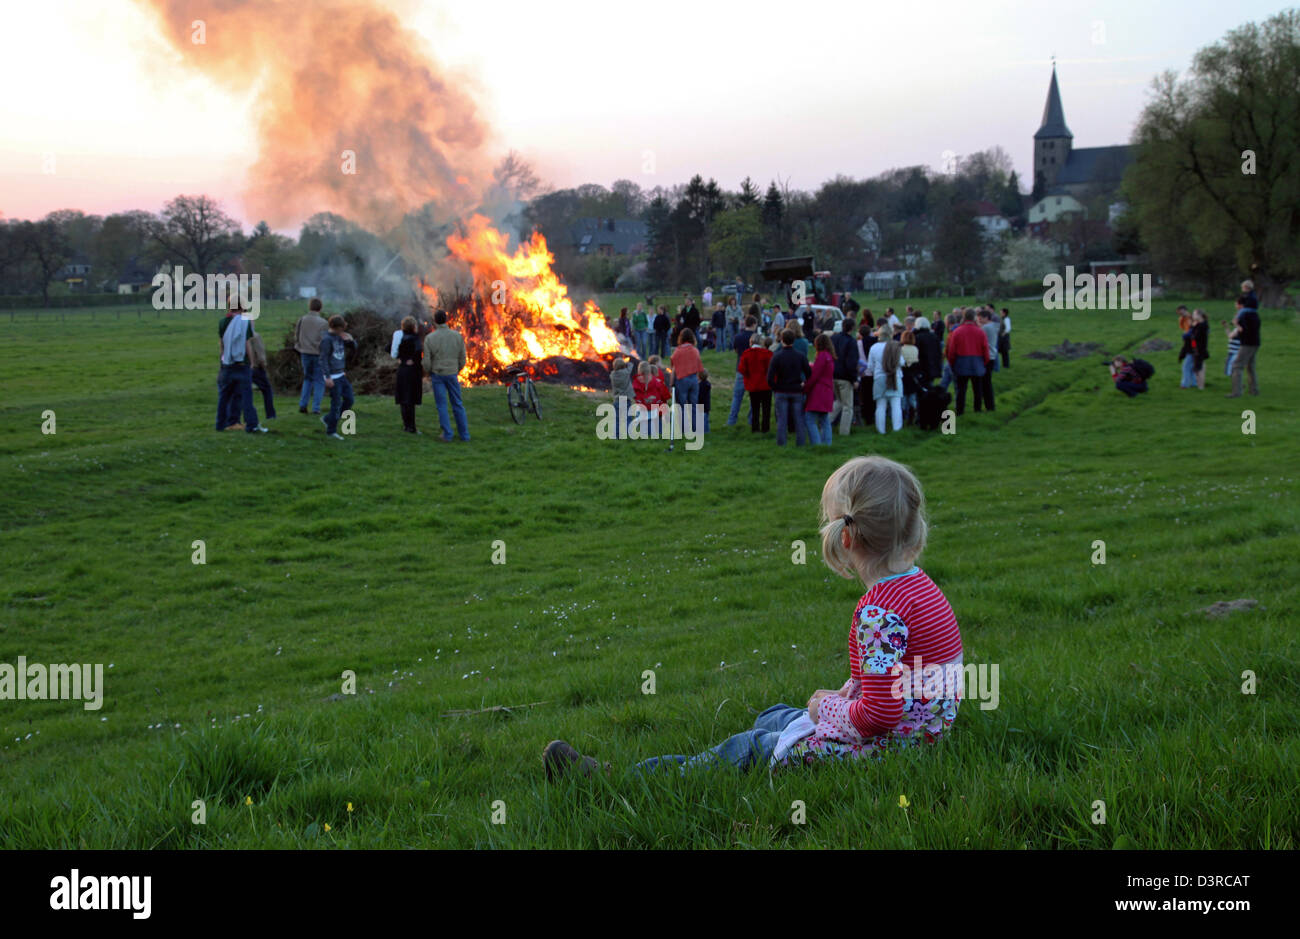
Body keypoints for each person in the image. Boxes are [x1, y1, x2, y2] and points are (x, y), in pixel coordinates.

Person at [542, 455, 962, 778]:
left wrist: (825, 712)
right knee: (777, 713)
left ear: (844, 536)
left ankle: (625, 781)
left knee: (752, 745)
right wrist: (835, 700)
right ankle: (782, 727)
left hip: (888, 747)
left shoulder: (879, 613)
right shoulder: (919, 586)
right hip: (924, 733)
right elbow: (896, 681)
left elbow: (878, 716)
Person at [216, 304, 267, 433]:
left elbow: (222, 343)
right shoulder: (245, 322)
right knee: (246, 397)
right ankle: (251, 425)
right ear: (242, 308)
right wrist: (251, 362)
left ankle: (220, 424)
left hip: (227, 364)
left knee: (224, 397)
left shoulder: (223, 322)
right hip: (241, 364)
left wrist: (222, 359)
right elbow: (247, 343)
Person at [422, 309, 470, 442]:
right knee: (458, 404)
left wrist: (430, 371)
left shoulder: (430, 338)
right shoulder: (457, 336)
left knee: (442, 405)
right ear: (446, 320)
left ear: (435, 321)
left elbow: (426, 360)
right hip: (452, 374)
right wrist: (457, 369)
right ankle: (464, 435)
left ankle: (447, 434)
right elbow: (463, 357)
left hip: (438, 375)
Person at [768, 328, 812, 446]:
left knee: (782, 420)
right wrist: (803, 384)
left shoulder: (777, 356)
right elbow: (809, 373)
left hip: (781, 390)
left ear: (782, 340)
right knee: (799, 419)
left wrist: (776, 387)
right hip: (797, 390)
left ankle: (782, 443)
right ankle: (800, 443)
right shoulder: (800, 356)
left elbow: (770, 377)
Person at [946, 309, 990, 416]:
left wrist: (952, 363)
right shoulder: (980, 331)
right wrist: (984, 362)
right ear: (974, 317)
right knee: (977, 389)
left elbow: (951, 351)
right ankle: (977, 409)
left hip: (961, 363)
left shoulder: (957, 331)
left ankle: (960, 410)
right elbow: (985, 349)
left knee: (961, 390)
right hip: (977, 363)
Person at [320, 315, 356, 440]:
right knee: (335, 403)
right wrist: (327, 377)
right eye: (341, 329)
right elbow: (323, 359)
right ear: (335, 327)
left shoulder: (339, 337)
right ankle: (331, 431)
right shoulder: (327, 340)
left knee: (350, 399)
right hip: (333, 377)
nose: (343, 331)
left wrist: (350, 340)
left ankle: (327, 419)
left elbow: (353, 348)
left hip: (341, 374)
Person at [866, 324, 904, 434]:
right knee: (896, 404)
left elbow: (870, 367)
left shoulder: (874, 348)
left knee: (880, 405)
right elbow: (901, 362)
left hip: (879, 378)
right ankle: (897, 429)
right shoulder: (896, 346)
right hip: (895, 377)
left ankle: (881, 430)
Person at [294, 298, 329, 415]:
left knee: (307, 379)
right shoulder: (323, 323)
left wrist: (299, 347)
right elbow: (325, 341)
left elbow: (296, 335)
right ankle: (316, 408)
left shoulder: (302, 319)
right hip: (318, 354)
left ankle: (303, 404)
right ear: (320, 308)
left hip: (305, 353)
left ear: (309, 306)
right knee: (319, 381)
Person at [391, 316, 423, 433]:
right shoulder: (414, 338)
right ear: (413, 326)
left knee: (404, 399)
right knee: (411, 399)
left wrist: (401, 358)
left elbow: (391, 350)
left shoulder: (398, 335)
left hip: (402, 370)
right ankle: (412, 427)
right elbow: (419, 351)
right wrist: (414, 360)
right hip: (412, 371)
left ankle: (406, 425)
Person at [804, 333, 835, 446]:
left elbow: (815, 375)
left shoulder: (821, 356)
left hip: (819, 391)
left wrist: (806, 388)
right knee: (824, 419)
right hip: (827, 390)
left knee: (810, 419)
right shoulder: (829, 356)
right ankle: (827, 444)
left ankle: (817, 444)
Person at [829, 318, 859, 436]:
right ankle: (844, 432)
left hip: (833, 374)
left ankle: (826, 422)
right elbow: (851, 362)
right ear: (852, 328)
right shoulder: (851, 342)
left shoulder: (833, 339)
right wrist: (854, 378)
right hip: (845, 377)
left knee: (838, 402)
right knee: (847, 406)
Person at [1226, 295, 1261, 398]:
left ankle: (1236, 392)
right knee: (1250, 366)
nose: (1235, 305)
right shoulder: (1254, 313)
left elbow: (1243, 330)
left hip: (1247, 344)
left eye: (1236, 303)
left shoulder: (1243, 315)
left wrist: (1236, 324)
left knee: (1237, 365)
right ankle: (1254, 390)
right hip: (1256, 343)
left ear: (1240, 305)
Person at [671, 328, 703, 435]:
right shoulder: (695, 350)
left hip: (682, 380)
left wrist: (671, 383)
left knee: (682, 406)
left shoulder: (677, 351)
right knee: (694, 405)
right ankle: (695, 428)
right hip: (693, 379)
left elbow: (674, 368)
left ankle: (684, 429)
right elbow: (699, 366)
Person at [726, 315, 757, 427]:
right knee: (754, 397)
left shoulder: (738, 336)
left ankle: (731, 420)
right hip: (754, 370)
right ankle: (751, 419)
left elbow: (735, 350)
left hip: (741, 368)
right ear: (753, 324)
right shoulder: (755, 337)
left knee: (737, 396)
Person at [739, 333, 773, 433]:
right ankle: (765, 428)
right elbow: (771, 369)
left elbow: (742, 369)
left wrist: (748, 375)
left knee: (755, 408)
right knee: (766, 408)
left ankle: (755, 428)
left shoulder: (746, 353)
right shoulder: (767, 353)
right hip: (765, 384)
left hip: (753, 384)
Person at [246, 322, 276, 422]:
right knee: (267, 390)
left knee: (244, 393)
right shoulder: (255, 336)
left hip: (244, 368)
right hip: (256, 368)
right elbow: (260, 353)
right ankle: (270, 414)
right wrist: (263, 365)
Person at [610, 356, 635, 438]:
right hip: (626, 399)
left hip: (617, 400)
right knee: (627, 417)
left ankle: (616, 434)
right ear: (624, 366)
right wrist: (626, 362)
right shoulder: (626, 372)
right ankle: (628, 433)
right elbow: (631, 365)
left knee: (617, 418)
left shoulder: (612, 375)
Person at [1178, 306, 1198, 389]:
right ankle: (1194, 383)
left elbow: (1192, 341)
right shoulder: (1182, 319)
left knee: (1186, 366)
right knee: (1192, 365)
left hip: (1191, 347)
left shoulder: (1193, 328)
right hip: (1191, 345)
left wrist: (1193, 348)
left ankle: (1185, 384)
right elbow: (1182, 328)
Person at [1190, 309, 1210, 390]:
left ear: (1199, 315)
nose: (1193, 316)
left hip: (1199, 349)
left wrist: (1194, 326)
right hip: (1197, 348)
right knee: (1199, 366)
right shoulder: (1201, 324)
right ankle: (1200, 385)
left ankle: (1200, 386)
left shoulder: (1202, 325)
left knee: (1198, 368)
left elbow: (1194, 337)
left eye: (1194, 314)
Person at [698, 369, 712, 433]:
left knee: (701, 420)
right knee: (706, 420)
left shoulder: (700, 386)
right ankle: (707, 431)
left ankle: (703, 431)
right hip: (707, 405)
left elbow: (699, 396)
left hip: (700, 405)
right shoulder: (707, 384)